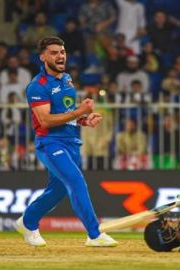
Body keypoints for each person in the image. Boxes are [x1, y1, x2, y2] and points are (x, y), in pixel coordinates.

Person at [14, 36, 117, 247]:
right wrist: (80, 111)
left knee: (58, 190)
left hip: (71, 142)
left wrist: (84, 119)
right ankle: (94, 234)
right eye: (54, 53)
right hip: (50, 143)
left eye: (62, 52)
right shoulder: (37, 86)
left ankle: (28, 221)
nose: (60, 56)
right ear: (42, 57)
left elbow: (65, 112)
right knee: (76, 181)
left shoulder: (67, 79)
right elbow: (45, 120)